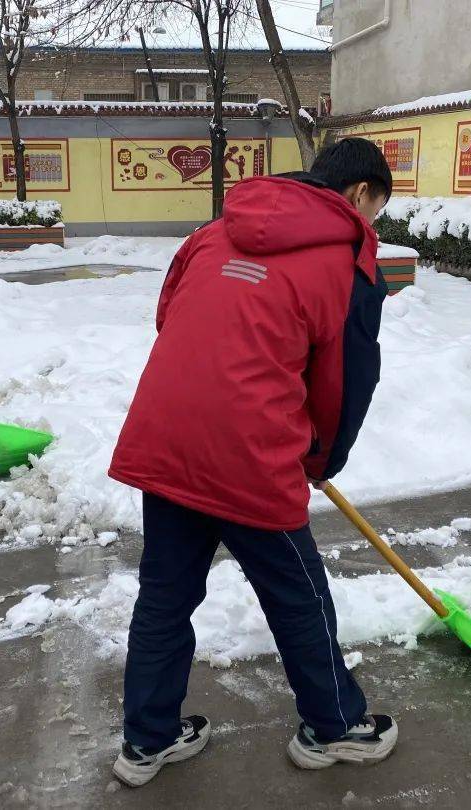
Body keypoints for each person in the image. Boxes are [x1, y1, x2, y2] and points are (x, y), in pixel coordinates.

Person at [106, 138, 395, 787]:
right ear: (359, 195)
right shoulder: (349, 258)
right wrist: (323, 459)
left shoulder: (214, 231)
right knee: (298, 596)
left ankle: (145, 741)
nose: (372, 222)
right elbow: (344, 383)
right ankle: (335, 727)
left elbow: (169, 314)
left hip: (168, 436)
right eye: (376, 208)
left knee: (164, 596)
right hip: (249, 455)